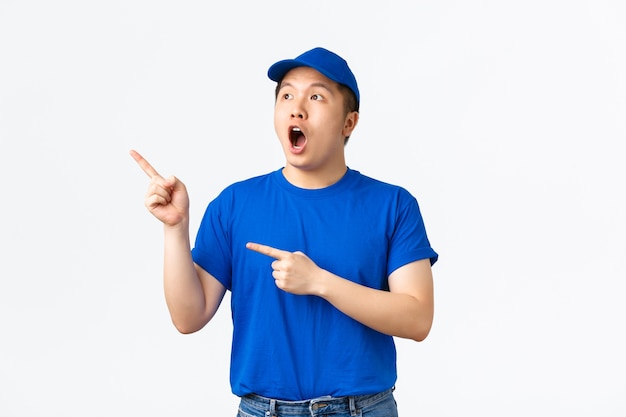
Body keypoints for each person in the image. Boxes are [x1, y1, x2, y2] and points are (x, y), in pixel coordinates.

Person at [130, 46, 438, 417]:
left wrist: (319, 282)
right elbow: (188, 317)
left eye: (317, 96)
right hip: (263, 410)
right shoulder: (234, 204)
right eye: (287, 95)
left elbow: (417, 318)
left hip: (363, 409)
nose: (297, 107)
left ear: (349, 123)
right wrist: (175, 230)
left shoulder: (393, 205)